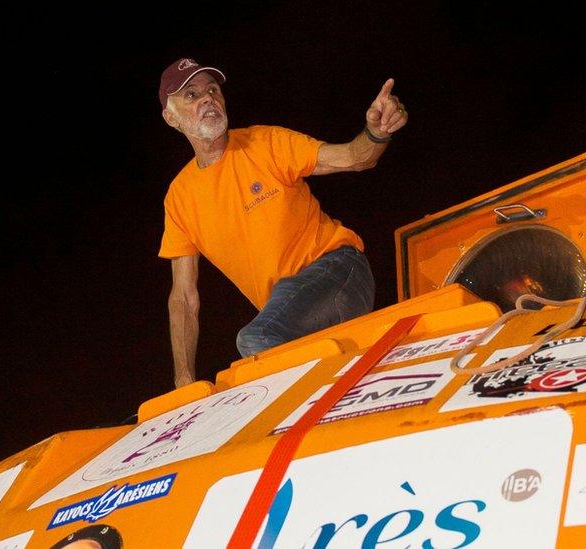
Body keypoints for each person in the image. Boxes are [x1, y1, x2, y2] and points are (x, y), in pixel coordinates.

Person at [157, 58, 408, 388]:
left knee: (257, 338)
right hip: (293, 314)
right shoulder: (180, 196)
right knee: (265, 353)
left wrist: (376, 133)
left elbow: (353, 156)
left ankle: (331, 396)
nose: (207, 99)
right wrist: (184, 381)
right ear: (171, 117)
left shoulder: (264, 144)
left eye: (212, 90)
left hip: (337, 272)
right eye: (191, 95)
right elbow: (184, 297)